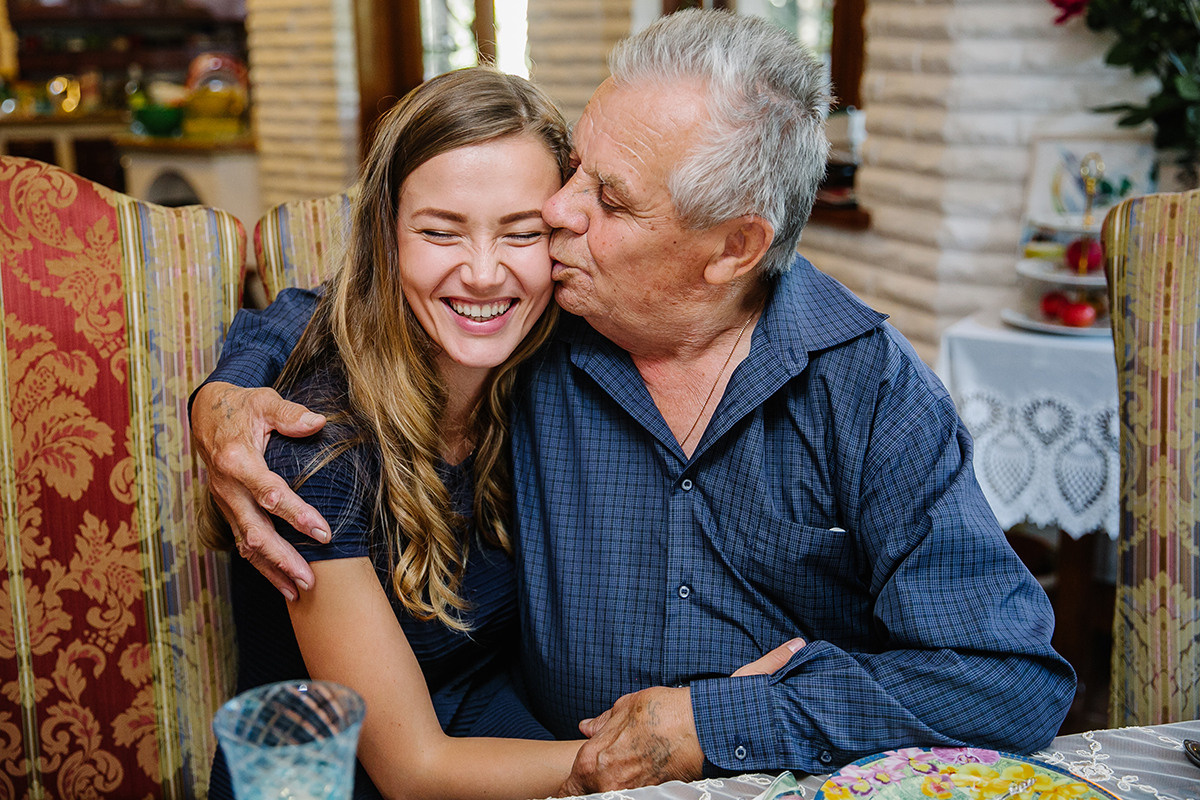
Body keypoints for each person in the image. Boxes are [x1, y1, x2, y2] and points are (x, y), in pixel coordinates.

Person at [192, 10, 1076, 795]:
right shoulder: (551, 316)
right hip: (532, 765)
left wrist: (721, 725)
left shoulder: (865, 387)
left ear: (734, 248)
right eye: (576, 169)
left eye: (606, 197)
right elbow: (358, 309)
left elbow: (1009, 680)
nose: (559, 215)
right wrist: (227, 390)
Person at [202, 66, 585, 800]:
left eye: (522, 233)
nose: (482, 272)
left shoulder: (540, 370)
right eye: (441, 232)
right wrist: (655, 755)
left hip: (491, 735)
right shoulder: (317, 446)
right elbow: (411, 772)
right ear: (386, 234)